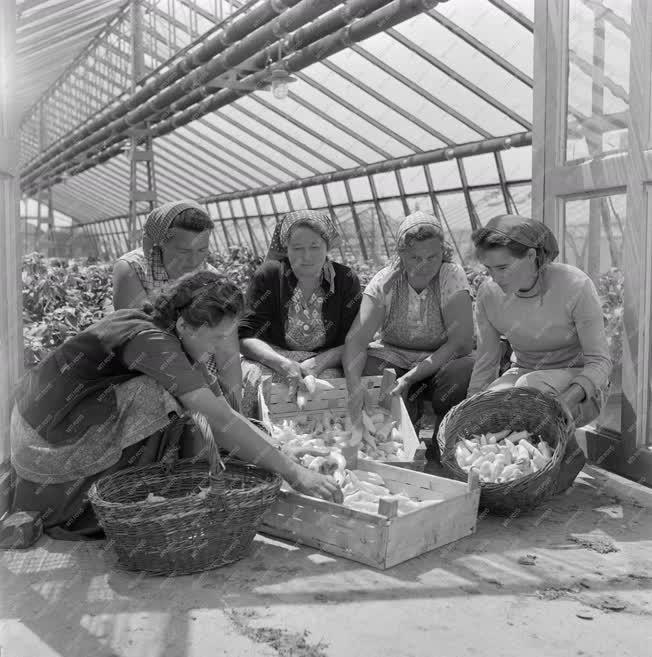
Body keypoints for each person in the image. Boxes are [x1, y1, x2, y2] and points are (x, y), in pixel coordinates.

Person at [8, 271, 341, 544]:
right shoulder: (149, 340)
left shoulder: (171, 331)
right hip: (43, 444)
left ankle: (146, 481)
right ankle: (81, 504)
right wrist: (294, 474)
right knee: (162, 396)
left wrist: (282, 452)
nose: (217, 347)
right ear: (185, 326)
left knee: (193, 402)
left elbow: (224, 409)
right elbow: (218, 419)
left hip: (64, 423)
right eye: (215, 338)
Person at [343, 211, 475, 456]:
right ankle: (398, 437)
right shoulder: (385, 282)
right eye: (415, 257)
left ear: (443, 252)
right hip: (394, 354)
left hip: (443, 357)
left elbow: (460, 343)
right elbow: (357, 340)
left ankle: (445, 439)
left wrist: (412, 376)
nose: (423, 265)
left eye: (432, 257)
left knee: (462, 373)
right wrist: (353, 388)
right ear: (401, 253)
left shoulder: (451, 276)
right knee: (375, 373)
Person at [466, 214, 612, 427]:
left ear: (531, 255)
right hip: (525, 374)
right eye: (489, 269)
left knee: (529, 388)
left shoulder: (574, 285)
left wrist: (566, 399)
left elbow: (600, 362)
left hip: (582, 386)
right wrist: (471, 405)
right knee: (492, 403)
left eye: (503, 267)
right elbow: (486, 360)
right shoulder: (488, 294)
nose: (495, 278)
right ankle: (557, 455)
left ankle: (564, 453)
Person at [113, 200, 242, 411]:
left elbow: (226, 352)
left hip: (201, 371)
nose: (194, 261)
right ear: (160, 244)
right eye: (183, 251)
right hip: (151, 368)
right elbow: (141, 342)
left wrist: (235, 412)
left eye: (202, 250)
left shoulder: (212, 280)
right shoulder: (133, 269)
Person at [239, 210, 362, 417]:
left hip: (324, 359)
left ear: (327, 246)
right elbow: (246, 336)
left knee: (327, 386)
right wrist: (283, 364)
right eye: (297, 248)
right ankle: (257, 439)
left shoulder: (345, 279)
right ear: (286, 248)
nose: (306, 256)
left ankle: (322, 442)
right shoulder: (268, 276)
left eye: (315, 247)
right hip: (272, 356)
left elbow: (356, 338)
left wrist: (317, 363)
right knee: (259, 381)